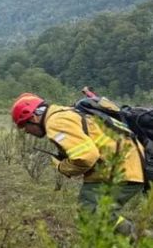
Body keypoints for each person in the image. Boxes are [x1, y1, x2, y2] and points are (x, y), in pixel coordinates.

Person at [11, 92, 145, 236]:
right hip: (121, 166)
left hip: (119, 169)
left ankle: (141, 240)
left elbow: (86, 156)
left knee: (91, 213)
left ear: (33, 117)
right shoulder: (64, 113)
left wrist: (63, 167)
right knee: (94, 214)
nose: (26, 131)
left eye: (24, 125)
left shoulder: (55, 122)